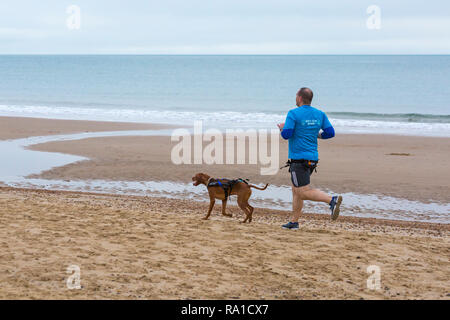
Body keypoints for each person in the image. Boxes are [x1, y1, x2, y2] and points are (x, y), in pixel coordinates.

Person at [277, 87, 342, 230]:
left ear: (299, 98)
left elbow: (286, 135)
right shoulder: (319, 114)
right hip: (312, 159)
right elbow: (330, 133)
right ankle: (294, 222)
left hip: (299, 159)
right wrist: (317, 134)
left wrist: (282, 128)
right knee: (296, 190)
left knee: (302, 192)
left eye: (296, 96)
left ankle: (332, 200)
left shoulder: (293, 113)